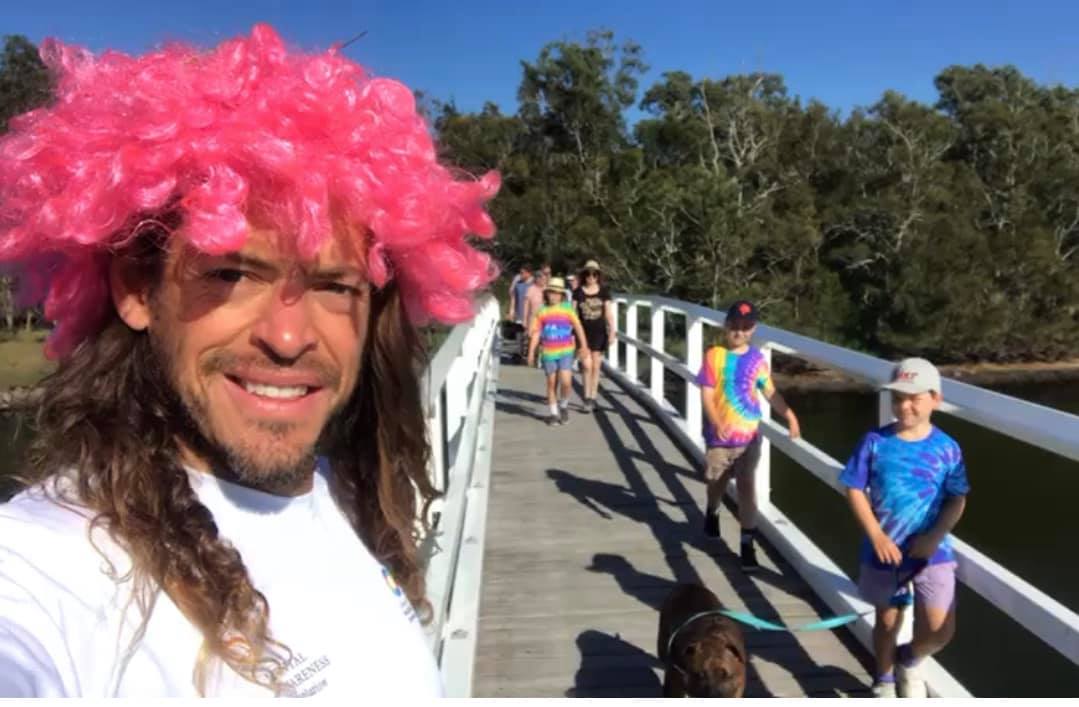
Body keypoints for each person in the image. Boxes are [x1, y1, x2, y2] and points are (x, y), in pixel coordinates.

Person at [0, 25, 499, 697]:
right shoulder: (44, 567)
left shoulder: (349, 493)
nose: (288, 336)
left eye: (334, 286)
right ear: (137, 291)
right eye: (231, 275)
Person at [838, 358, 969, 699]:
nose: (904, 405)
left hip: (932, 551)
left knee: (940, 628)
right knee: (886, 620)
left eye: (914, 398)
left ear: (935, 399)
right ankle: (883, 680)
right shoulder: (874, 441)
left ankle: (908, 658)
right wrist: (877, 535)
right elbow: (854, 488)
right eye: (897, 398)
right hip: (884, 548)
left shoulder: (948, 448)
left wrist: (934, 537)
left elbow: (957, 499)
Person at [696, 300, 800, 572]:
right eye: (735, 326)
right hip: (719, 438)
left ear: (753, 329)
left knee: (746, 487)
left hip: (748, 437)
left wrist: (789, 415)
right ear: (726, 325)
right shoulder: (714, 356)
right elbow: (706, 393)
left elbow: (770, 392)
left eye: (745, 327)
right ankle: (712, 509)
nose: (739, 332)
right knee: (716, 482)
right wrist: (716, 420)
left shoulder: (757, 360)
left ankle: (747, 544)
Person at [527, 277, 589, 426]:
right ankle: (554, 414)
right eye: (551, 292)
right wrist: (531, 352)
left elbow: (578, 326)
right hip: (548, 352)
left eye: (557, 293)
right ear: (546, 294)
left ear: (562, 295)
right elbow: (536, 333)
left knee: (566, 382)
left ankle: (564, 405)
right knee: (551, 383)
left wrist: (584, 346)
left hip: (566, 351)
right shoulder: (542, 310)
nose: (554, 296)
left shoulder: (567, 308)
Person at [572, 259, 615, 412]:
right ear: (584, 275)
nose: (591, 277)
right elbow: (573, 314)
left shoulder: (604, 292)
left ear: (598, 276)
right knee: (586, 365)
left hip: (599, 332)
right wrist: (572, 334)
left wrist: (612, 331)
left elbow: (608, 313)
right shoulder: (578, 292)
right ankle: (586, 397)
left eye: (594, 274)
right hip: (582, 333)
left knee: (596, 366)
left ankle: (592, 397)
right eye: (588, 274)